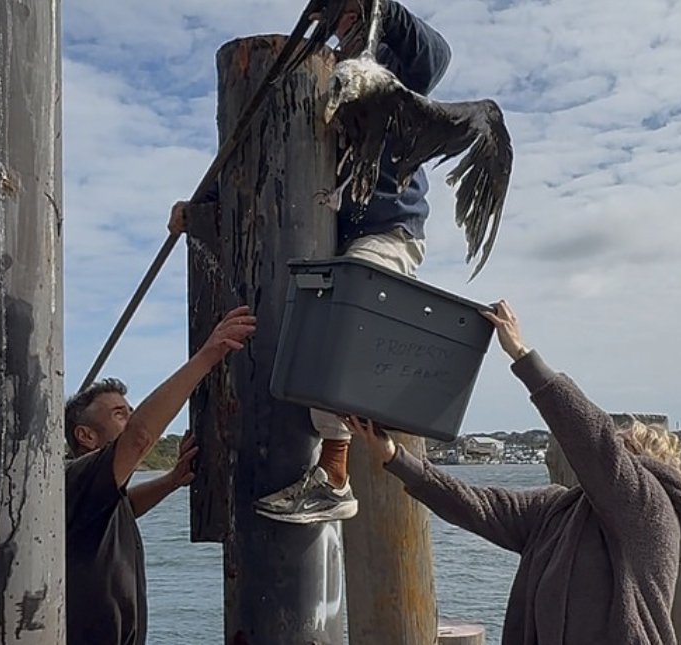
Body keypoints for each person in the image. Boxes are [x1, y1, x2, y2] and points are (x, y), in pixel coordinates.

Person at [345, 299, 681, 645]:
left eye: (626, 450)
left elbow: (594, 440)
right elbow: (476, 505)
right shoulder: (558, 512)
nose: (617, 456)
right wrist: (395, 457)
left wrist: (522, 355)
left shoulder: (651, 510)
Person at [250, 0, 453, 525]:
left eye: (348, 13)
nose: (340, 23)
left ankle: (336, 478)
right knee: (312, 346)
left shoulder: (387, 65)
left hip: (387, 233)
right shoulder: (315, 74)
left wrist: (381, 6)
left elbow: (435, 56)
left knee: (338, 334)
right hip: (333, 242)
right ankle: (338, 466)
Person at [65, 206, 257, 645]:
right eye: (118, 413)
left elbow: (124, 507)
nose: (130, 419)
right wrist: (209, 355)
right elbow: (140, 437)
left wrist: (171, 481)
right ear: (85, 436)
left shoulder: (97, 497)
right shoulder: (77, 478)